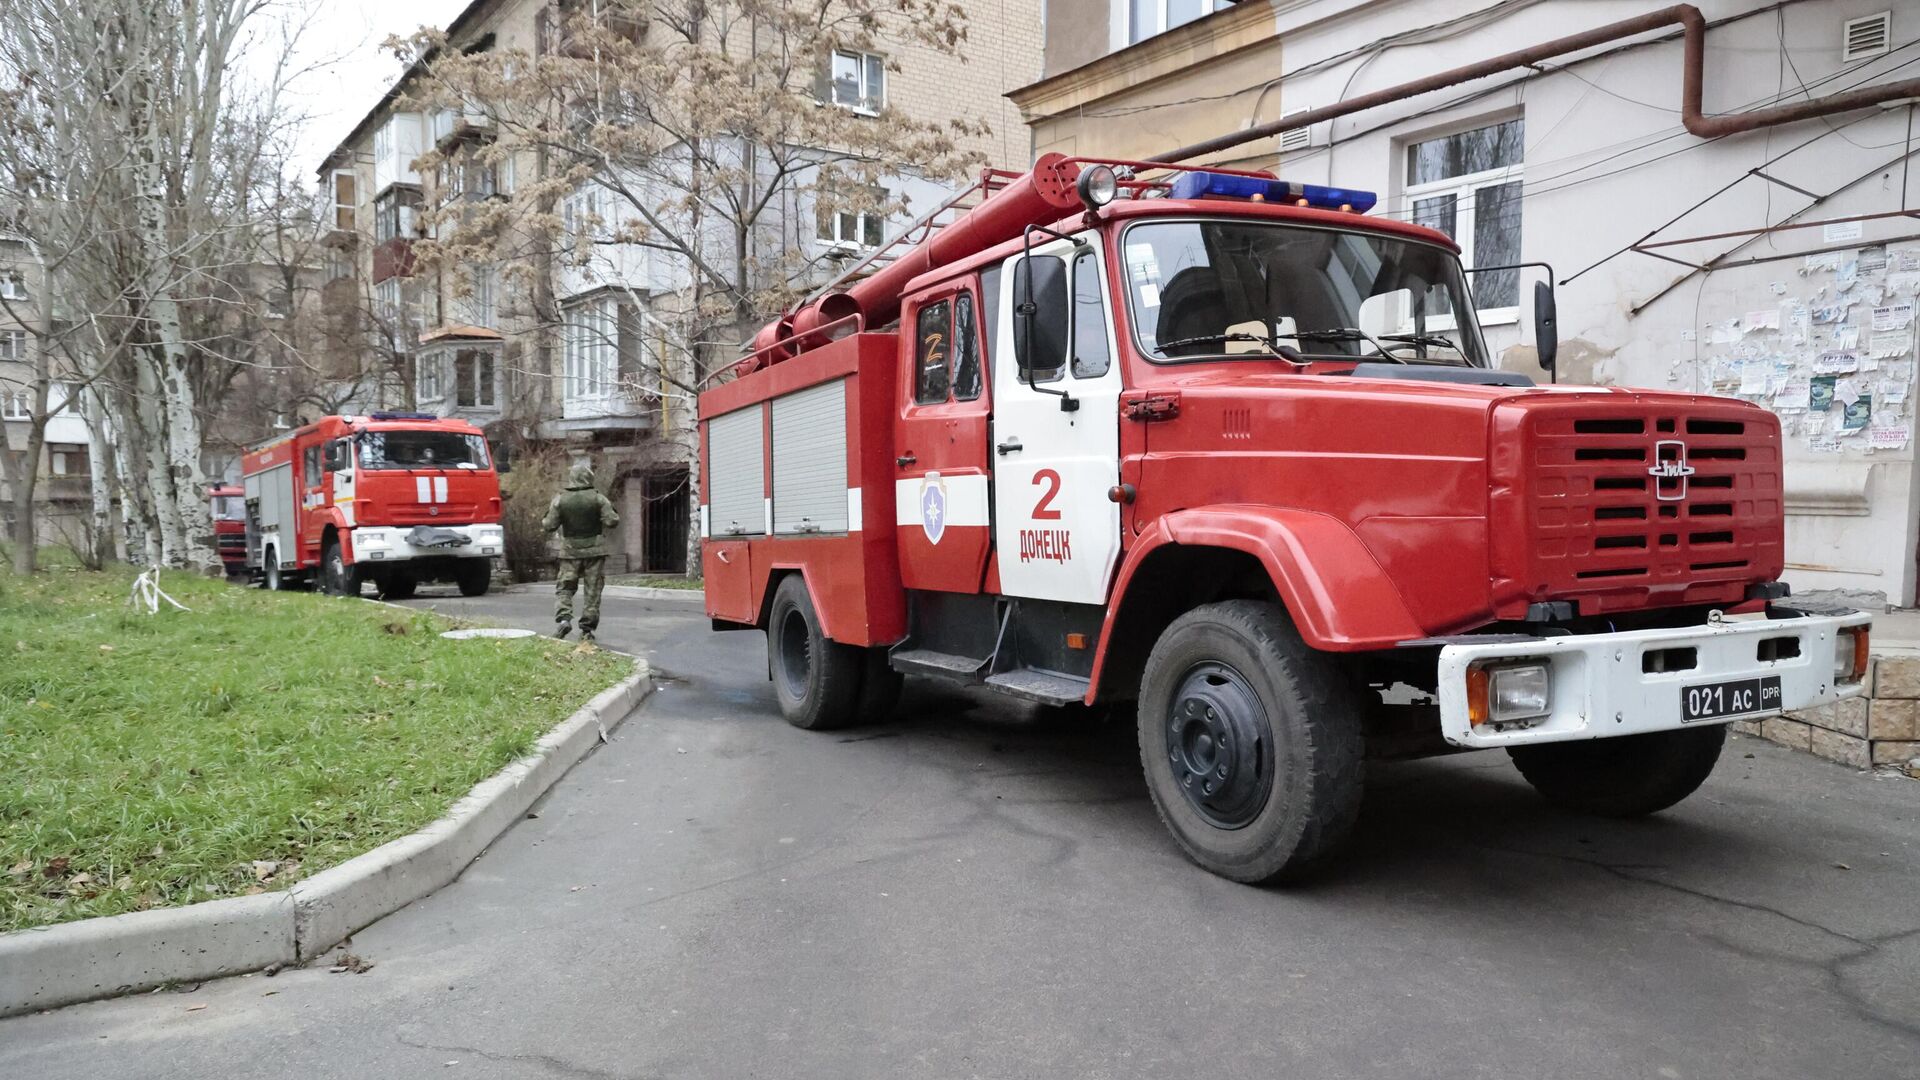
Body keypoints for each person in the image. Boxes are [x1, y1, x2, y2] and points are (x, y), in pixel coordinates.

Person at [543, 462, 621, 641]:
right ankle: (587, 630)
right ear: (589, 477)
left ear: (572, 478)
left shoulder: (560, 499)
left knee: (565, 588)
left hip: (570, 552)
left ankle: (563, 620)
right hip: (594, 552)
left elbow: (548, 525)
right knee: (592, 591)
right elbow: (612, 521)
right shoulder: (599, 498)